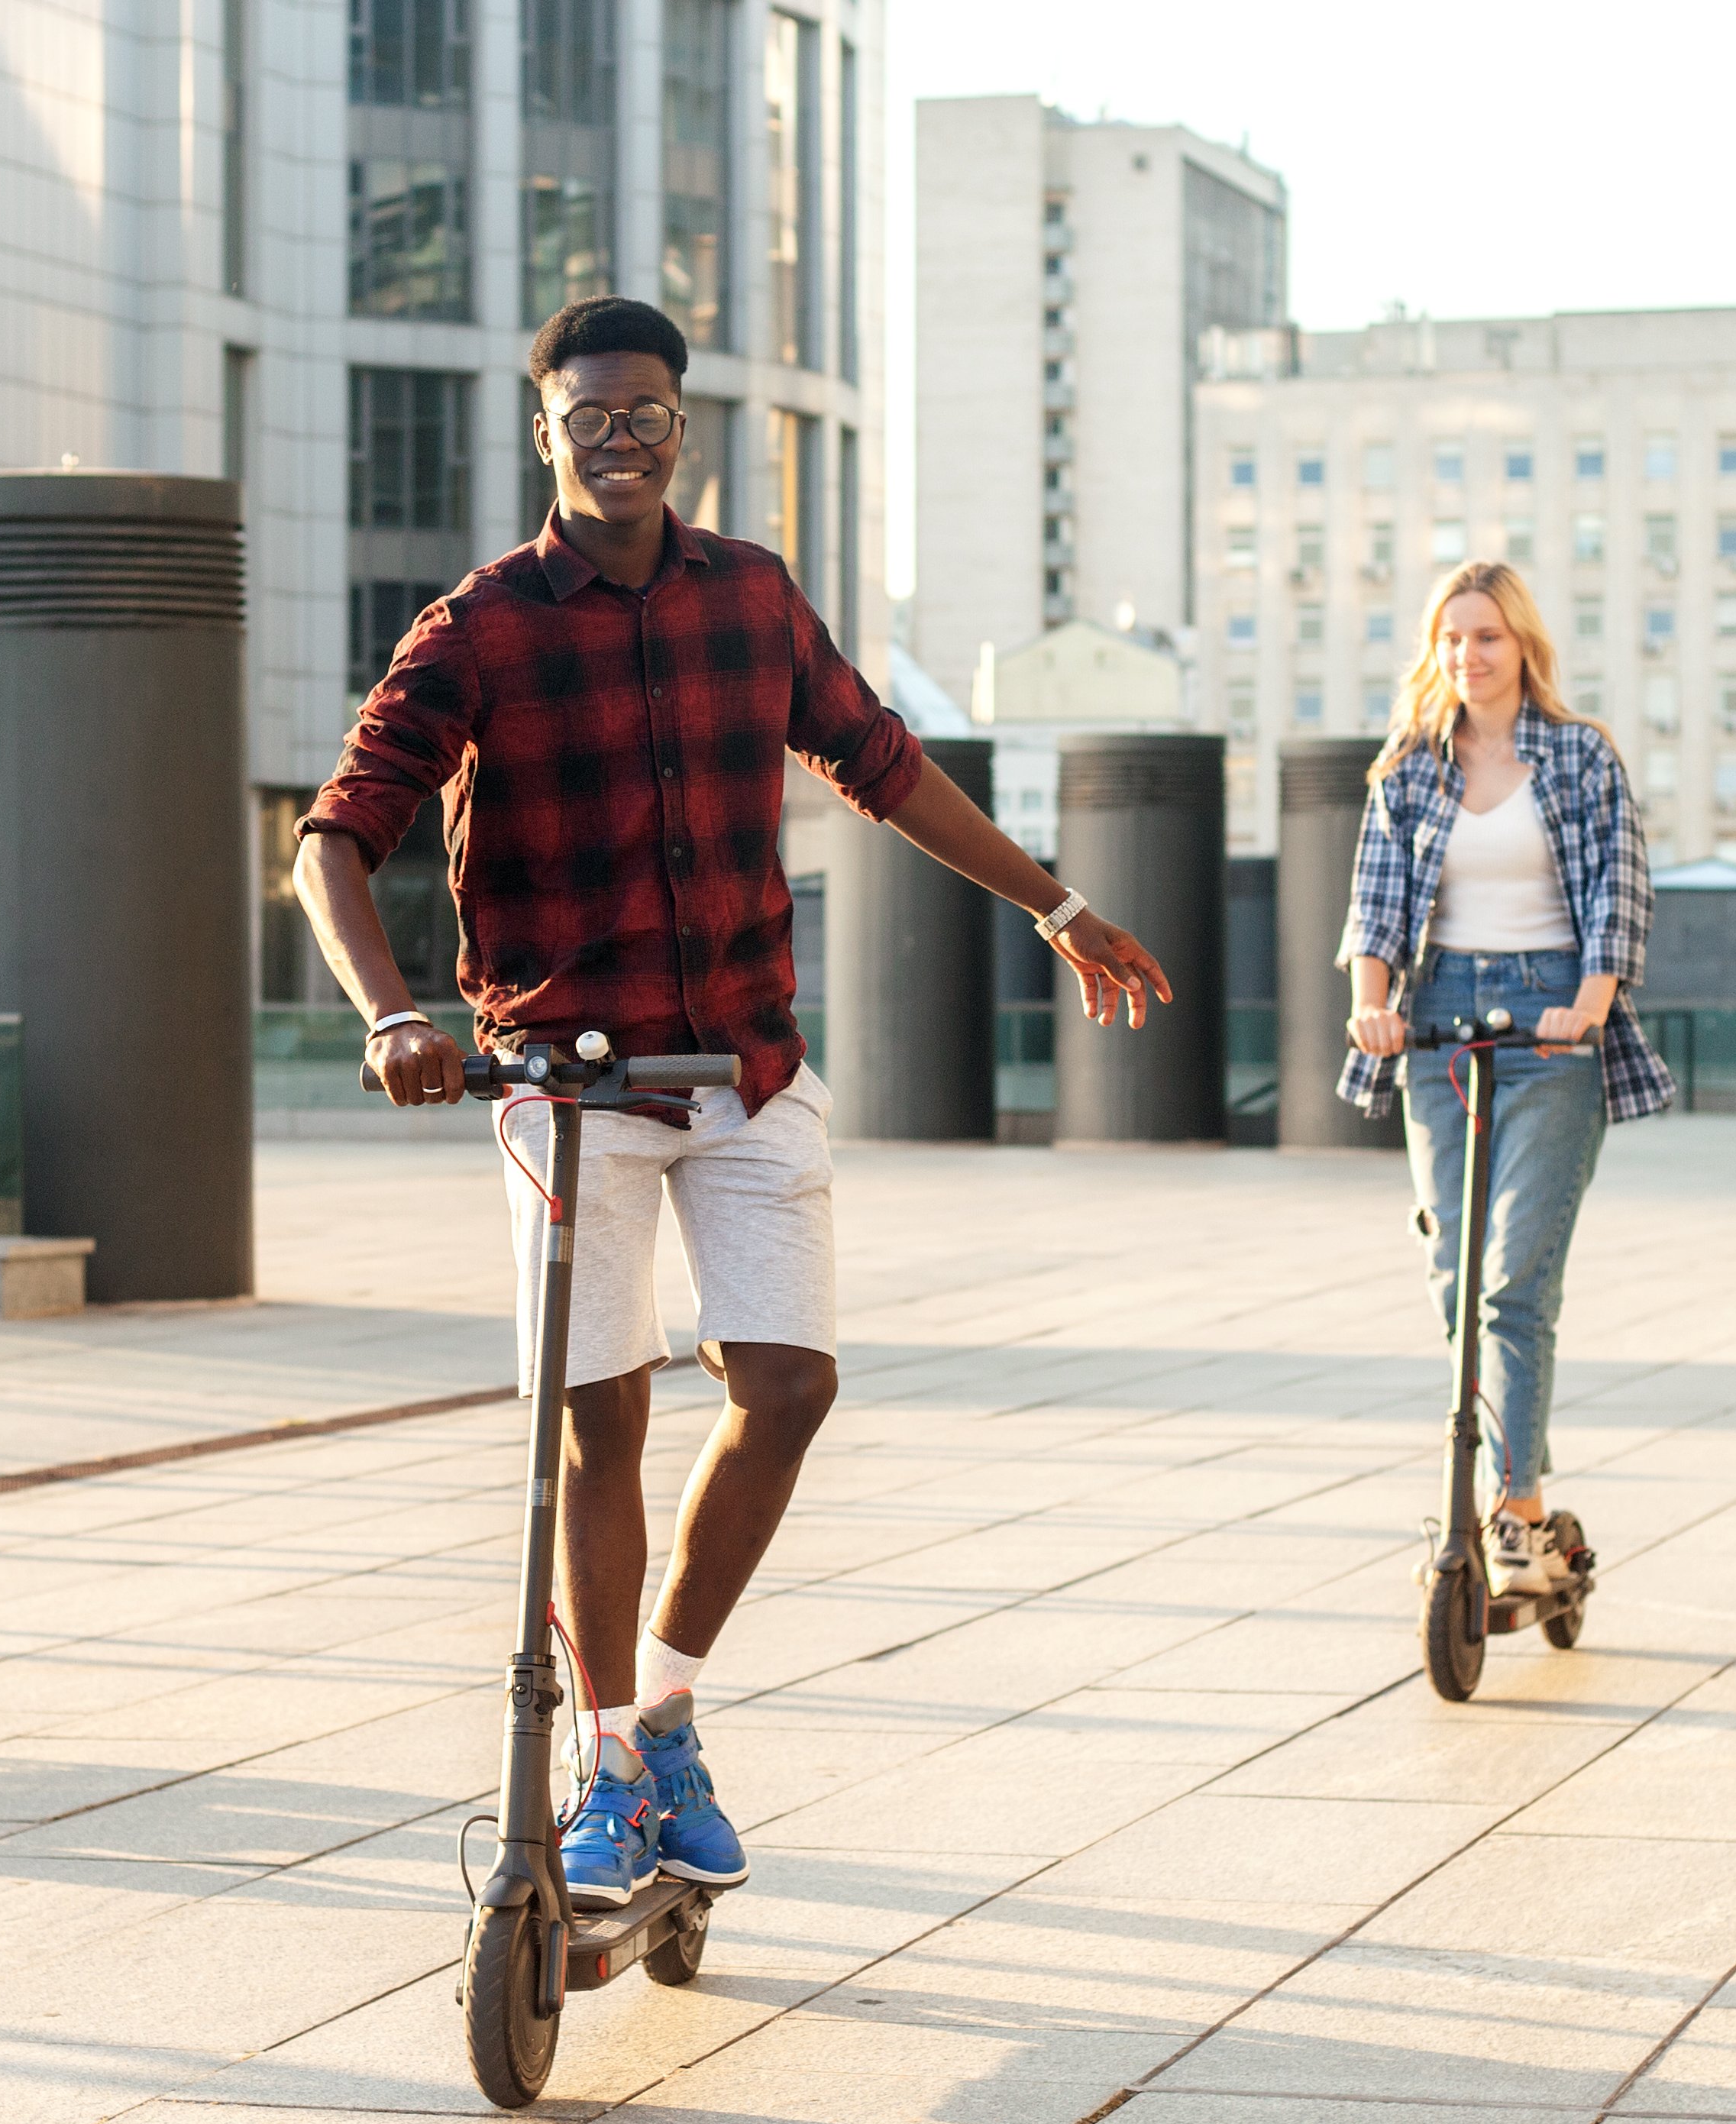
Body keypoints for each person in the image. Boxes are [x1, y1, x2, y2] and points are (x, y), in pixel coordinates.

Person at [295, 296, 1171, 1910]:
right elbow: (335, 835)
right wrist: (394, 1011)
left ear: (679, 430)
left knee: (784, 1382)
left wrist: (1053, 904)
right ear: (543, 434)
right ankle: (612, 1752)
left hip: (746, 1062)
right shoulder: (481, 625)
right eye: (588, 416)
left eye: (645, 414)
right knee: (598, 1421)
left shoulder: (750, 600)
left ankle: (671, 1700)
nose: (618, 438)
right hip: (569, 1083)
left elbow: (882, 763)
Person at [1337, 560, 1669, 1616]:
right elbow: (1373, 912)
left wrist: (1589, 997)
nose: (1467, 656)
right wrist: (1372, 1001)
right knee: (1454, 1271)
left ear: (1521, 644)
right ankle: (1495, 1504)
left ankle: (1517, 1513)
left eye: (1485, 636)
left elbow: (1619, 887)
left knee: (1511, 1277)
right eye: (1450, 638)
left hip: (1550, 1028)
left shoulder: (1578, 756)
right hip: (1437, 1024)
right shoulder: (1407, 771)